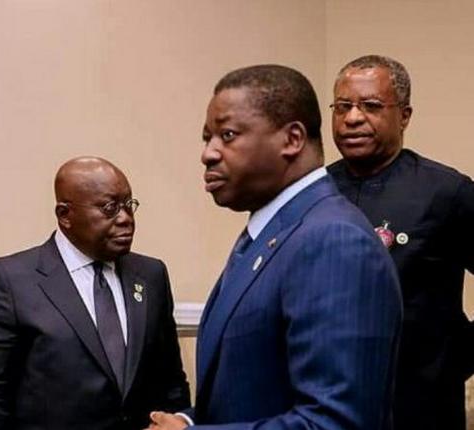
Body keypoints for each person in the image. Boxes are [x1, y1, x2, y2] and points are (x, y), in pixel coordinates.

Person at [148, 64, 402, 429]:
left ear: (292, 139)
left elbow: (336, 423)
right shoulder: (270, 235)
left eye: (228, 134)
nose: (209, 153)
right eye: (208, 138)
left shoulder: (333, 241)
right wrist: (188, 422)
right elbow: (245, 396)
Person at [0, 156, 190, 429]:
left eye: (129, 205)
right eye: (109, 208)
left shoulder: (151, 275)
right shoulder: (11, 280)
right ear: (65, 215)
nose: (125, 219)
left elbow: (171, 383)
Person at [328, 54, 474, 430]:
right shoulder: (313, 192)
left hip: (420, 406)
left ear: (405, 115)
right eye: (343, 107)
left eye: (371, 106)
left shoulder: (446, 192)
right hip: (327, 406)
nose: (353, 118)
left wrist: (458, 356)